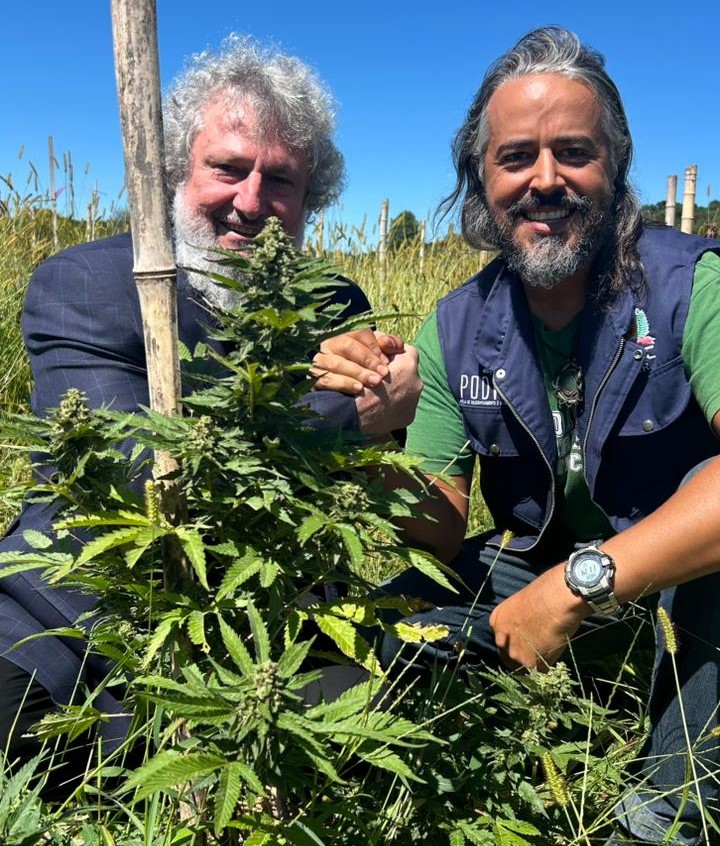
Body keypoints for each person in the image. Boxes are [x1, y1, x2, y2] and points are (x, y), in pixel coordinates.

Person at [315, 26, 720, 846]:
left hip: (675, 589)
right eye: (515, 158)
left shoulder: (691, 286)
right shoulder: (456, 326)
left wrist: (576, 587)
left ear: (614, 167)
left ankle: (664, 818)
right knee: (384, 620)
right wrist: (365, 427)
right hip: (533, 571)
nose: (545, 180)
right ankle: (375, 773)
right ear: (482, 181)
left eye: (574, 152)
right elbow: (438, 527)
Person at [0, 35, 420, 788]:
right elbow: (144, 477)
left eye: (281, 179)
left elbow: (368, 482)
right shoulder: (88, 284)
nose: (251, 202)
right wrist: (351, 414)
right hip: (78, 624)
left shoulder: (335, 303)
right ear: (174, 170)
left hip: (274, 630)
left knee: (377, 767)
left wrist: (394, 396)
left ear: (310, 196)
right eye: (228, 168)